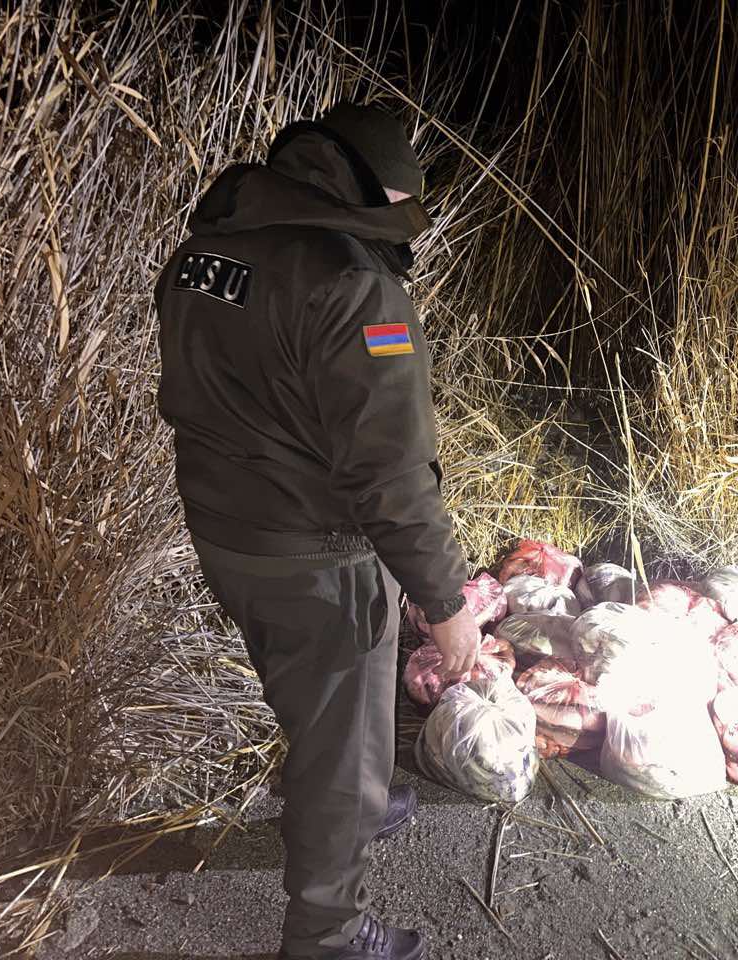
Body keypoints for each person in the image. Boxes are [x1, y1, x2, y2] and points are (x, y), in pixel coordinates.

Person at [154, 102, 480, 960]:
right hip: (313, 553)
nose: (409, 213)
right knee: (341, 731)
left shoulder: (208, 252)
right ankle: (328, 935)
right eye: (404, 197)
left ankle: (353, 797)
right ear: (369, 187)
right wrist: (445, 601)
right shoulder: (356, 287)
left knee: (315, 704)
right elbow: (391, 473)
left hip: (225, 531)